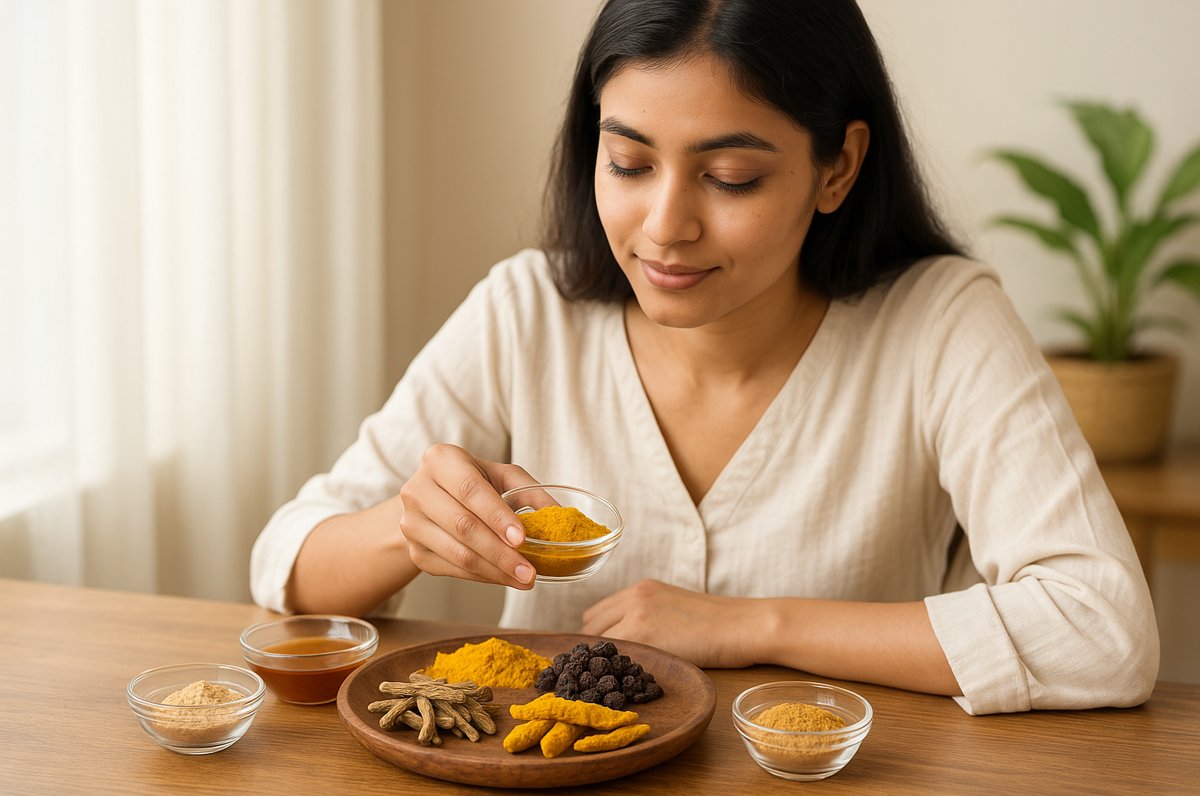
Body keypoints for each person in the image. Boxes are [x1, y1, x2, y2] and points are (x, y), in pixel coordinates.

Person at [250, 0, 1158, 715]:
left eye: (732, 179)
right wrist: (404, 532)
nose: (666, 228)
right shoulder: (527, 310)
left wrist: (751, 627)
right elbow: (287, 570)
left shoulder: (939, 324)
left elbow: (1102, 630)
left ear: (838, 167)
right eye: (630, 164)